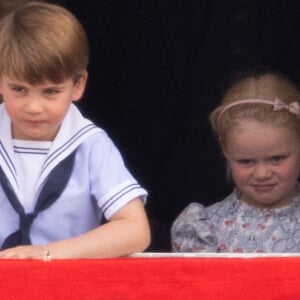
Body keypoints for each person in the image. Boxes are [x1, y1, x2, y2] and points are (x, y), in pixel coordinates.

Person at [0, 2, 150, 260]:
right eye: (19, 90)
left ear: (78, 85)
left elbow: (136, 230)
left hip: (67, 286)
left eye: (51, 91)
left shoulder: (92, 146)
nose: (34, 107)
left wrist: (50, 253)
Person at [171, 68, 300, 253]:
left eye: (276, 159)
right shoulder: (205, 228)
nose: (262, 173)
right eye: (246, 161)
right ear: (226, 150)